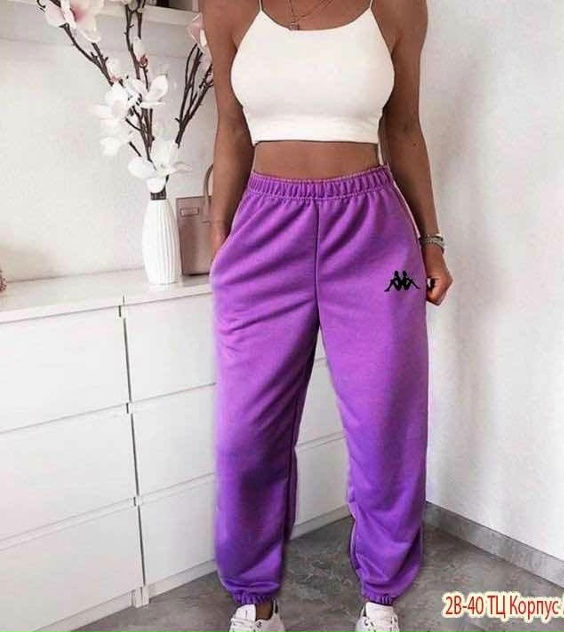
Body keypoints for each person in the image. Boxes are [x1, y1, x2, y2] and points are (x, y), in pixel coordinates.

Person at [201, 0, 453, 630]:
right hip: (263, 238)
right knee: (245, 434)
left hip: (378, 249)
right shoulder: (225, 7)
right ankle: (255, 602)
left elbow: (404, 130)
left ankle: (381, 599)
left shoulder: (399, 6)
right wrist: (221, 242)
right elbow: (231, 131)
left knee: (386, 423)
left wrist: (431, 244)